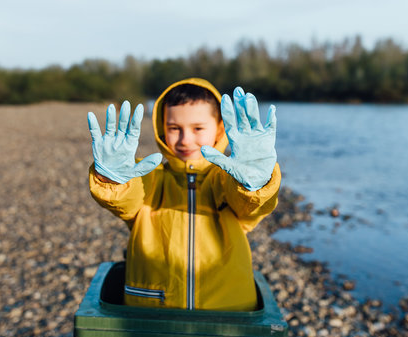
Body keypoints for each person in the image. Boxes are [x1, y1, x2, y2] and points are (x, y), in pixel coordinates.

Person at [87, 78, 281, 311]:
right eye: (174, 128)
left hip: (229, 310)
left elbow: (252, 206)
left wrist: (256, 182)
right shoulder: (150, 176)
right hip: (152, 310)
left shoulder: (226, 180)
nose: (185, 140)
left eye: (198, 128)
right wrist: (113, 179)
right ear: (161, 128)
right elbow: (125, 199)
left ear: (220, 128)